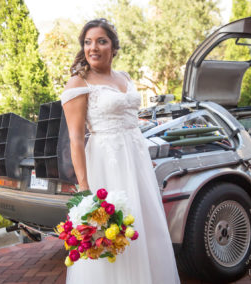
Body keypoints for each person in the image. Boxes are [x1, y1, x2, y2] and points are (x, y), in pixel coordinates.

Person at [61, 18, 180, 284]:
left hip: (136, 161)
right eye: (88, 42)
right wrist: (84, 190)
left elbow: (131, 122)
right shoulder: (78, 84)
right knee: (109, 232)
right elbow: (76, 138)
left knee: (144, 229)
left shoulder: (123, 77)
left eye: (101, 41)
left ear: (113, 48)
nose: (94, 47)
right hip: (106, 164)